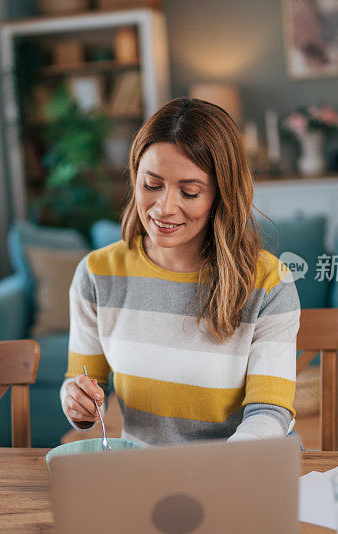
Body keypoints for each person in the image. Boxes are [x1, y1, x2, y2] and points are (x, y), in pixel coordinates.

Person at [60, 97, 300, 446]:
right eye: (152, 185)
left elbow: (270, 412)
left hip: (238, 470)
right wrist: (75, 402)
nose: (165, 208)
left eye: (189, 192)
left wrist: (216, 473)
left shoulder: (268, 282)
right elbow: (80, 381)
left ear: (222, 195)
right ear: (135, 177)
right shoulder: (97, 274)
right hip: (145, 475)